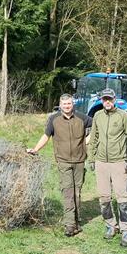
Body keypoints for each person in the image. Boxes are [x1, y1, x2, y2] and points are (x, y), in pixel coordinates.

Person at [27, 94, 92, 237]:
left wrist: (86, 142)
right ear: (60, 105)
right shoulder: (53, 119)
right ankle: (69, 225)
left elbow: (95, 128)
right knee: (68, 191)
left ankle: (76, 220)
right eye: (64, 104)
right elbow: (46, 136)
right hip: (63, 161)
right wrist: (36, 149)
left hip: (80, 160)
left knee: (77, 192)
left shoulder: (82, 117)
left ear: (72, 104)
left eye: (69, 104)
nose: (67, 106)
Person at [87, 88, 127, 247]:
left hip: (119, 162)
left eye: (109, 99)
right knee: (104, 197)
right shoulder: (97, 116)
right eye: (104, 99)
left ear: (114, 99)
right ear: (101, 100)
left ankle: (125, 231)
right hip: (102, 162)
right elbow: (93, 138)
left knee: (123, 198)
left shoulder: (123, 116)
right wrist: (92, 158)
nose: (107, 102)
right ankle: (110, 225)